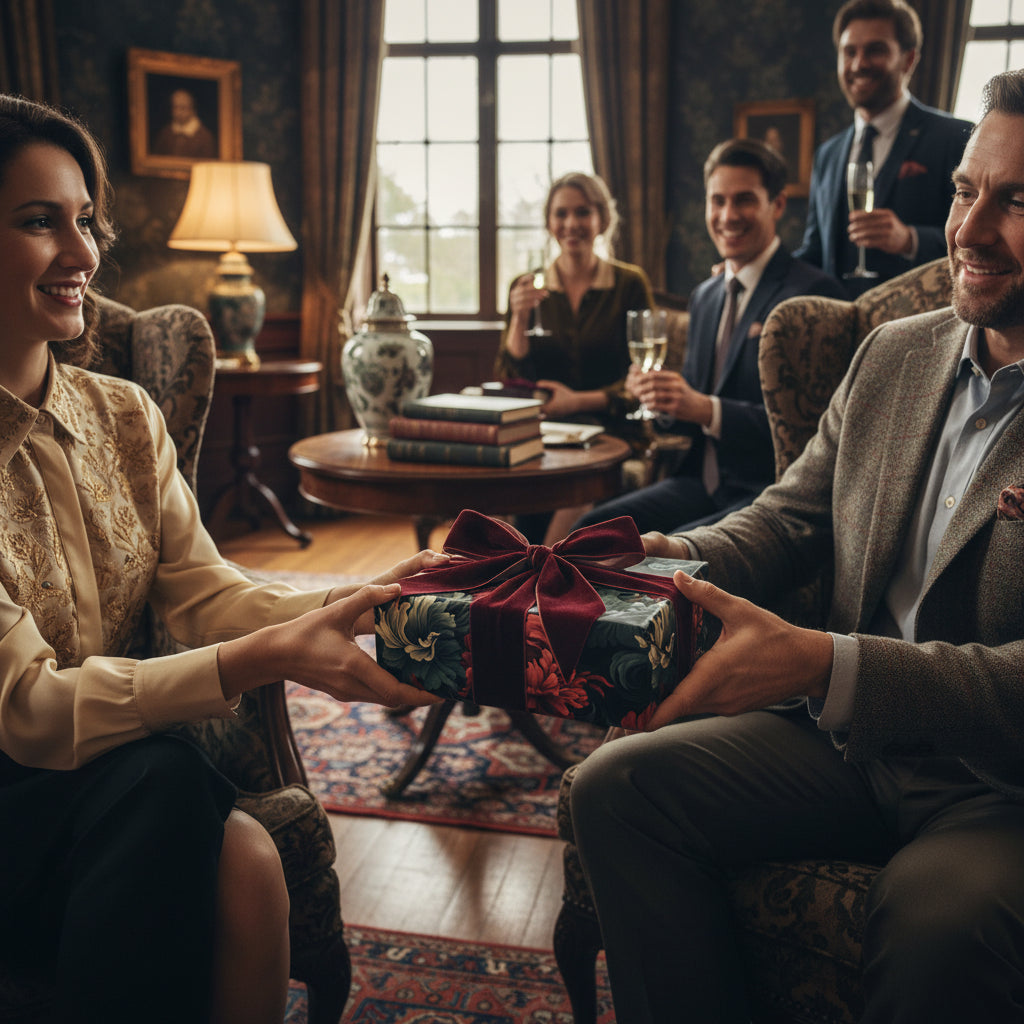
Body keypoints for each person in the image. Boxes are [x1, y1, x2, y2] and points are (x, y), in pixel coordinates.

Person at [570, 68, 1024, 1023]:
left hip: (998, 783)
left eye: (1018, 202)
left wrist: (828, 662)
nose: (972, 231)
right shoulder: (893, 352)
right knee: (613, 787)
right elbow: (785, 519)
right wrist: (665, 557)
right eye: (965, 190)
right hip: (848, 742)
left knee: (941, 924)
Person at [0, 94, 444, 1024]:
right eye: (39, 222)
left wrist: (354, 601)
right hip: (21, 782)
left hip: (112, 778)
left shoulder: (125, 413)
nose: (83, 256)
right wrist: (273, 657)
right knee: (171, 783)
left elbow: (204, 593)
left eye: (84, 220)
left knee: (241, 856)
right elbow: (32, 712)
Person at [575, 138, 844, 536]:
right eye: (717, 201)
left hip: (768, 494)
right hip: (698, 485)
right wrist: (662, 400)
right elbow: (682, 422)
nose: (727, 215)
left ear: (779, 205)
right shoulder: (705, 296)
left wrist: (706, 409)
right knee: (589, 531)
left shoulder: (813, 298)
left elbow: (815, 434)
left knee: (661, 552)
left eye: (744, 200)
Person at [494, 170, 655, 541]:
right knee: (502, 494)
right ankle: (499, 584)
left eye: (582, 212)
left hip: (613, 430)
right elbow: (509, 376)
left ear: (601, 219)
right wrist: (518, 318)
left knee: (574, 494)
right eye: (561, 214)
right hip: (545, 433)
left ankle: (542, 580)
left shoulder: (629, 284)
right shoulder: (526, 286)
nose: (571, 224)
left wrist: (577, 402)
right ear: (549, 222)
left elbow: (645, 378)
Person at [795, 0, 973, 296]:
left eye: (875, 50)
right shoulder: (827, 154)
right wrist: (757, 269)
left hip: (919, 327)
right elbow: (814, 252)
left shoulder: (958, 137)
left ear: (908, 59)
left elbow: (980, 237)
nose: (858, 64)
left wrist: (910, 240)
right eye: (849, 51)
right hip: (840, 331)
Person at [152, 87, 217, 159]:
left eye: (182, 108)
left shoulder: (205, 137)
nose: (178, 112)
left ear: (192, 110)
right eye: (175, 107)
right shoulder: (165, 133)